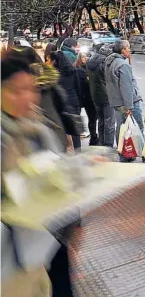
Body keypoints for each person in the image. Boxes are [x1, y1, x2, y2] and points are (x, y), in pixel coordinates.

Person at [0, 56, 71, 297]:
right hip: (7, 258)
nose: (28, 98)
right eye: (16, 91)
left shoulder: (37, 128)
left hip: (38, 246)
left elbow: (56, 167)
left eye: (32, 89)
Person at [105, 40, 144, 161]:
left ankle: (123, 153)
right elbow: (126, 87)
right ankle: (142, 152)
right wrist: (129, 107)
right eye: (128, 48)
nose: (130, 50)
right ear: (122, 50)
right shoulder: (123, 65)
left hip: (116, 102)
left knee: (121, 128)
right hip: (128, 102)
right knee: (138, 127)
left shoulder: (109, 62)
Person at [48, 51, 86, 152]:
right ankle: (78, 152)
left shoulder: (54, 74)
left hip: (62, 104)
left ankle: (64, 152)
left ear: (55, 61)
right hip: (74, 102)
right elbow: (78, 87)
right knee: (75, 130)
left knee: (63, 130)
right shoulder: (73, 71)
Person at [86, 44, 116, 147]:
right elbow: (110, 78)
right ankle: (108, 145)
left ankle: (101, 142)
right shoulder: (104, 63)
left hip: (95, 96)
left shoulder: (90, 62)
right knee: (109, 123)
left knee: (101, 121)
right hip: (107, 96)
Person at [75, 53, 99, 145]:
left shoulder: (89, 68)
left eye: (86, 57)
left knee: (92, 119)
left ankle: (93, 137)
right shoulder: (77, 69)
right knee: (82, 118)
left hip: (88, 97)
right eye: (83, 57)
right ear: (79, 58)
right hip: (83, 97)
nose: (85, 58)